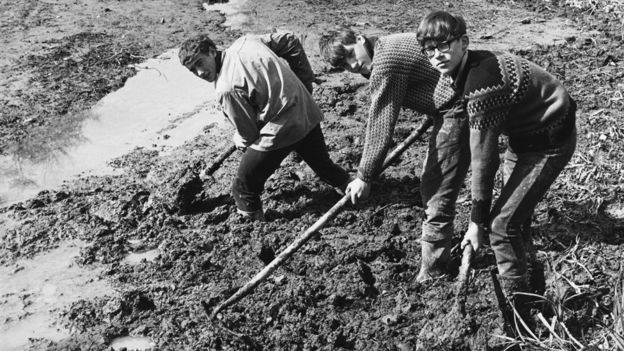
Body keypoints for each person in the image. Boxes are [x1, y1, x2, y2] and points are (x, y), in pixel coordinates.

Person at [416, 10, 577, 326]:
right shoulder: (467, 68)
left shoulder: (482, 83)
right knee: (516, 216)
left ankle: (523, 310)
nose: (437, 56)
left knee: (501, 227)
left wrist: (476, 222)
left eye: (444, 46)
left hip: (549, 141)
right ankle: (532, 273)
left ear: (464, 42)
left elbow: (483, 159)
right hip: (525, 135)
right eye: (429, 49)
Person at [319, 27, 471, 282]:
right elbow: (426, 74)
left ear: (358, 38)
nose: (353, 65)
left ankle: (434, 272)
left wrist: (365, 175)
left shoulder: (386, 60)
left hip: (458, 106)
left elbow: (381, 120)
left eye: (350, 54)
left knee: (435, 188)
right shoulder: (384, 48)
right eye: (345, 65)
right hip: (452, 101)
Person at [178, 32, 350, 220]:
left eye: (200, 63)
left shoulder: (225, 88)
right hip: (306, 112)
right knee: (325, 167)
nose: (200, 73)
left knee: (243, 187)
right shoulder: (246, 42)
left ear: (211, 51)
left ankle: (252, 229)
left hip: (282, 130)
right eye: (192, 70)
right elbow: (290, 40)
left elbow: (249, 135)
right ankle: (357, 190)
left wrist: (239, 139)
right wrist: (304, 81)